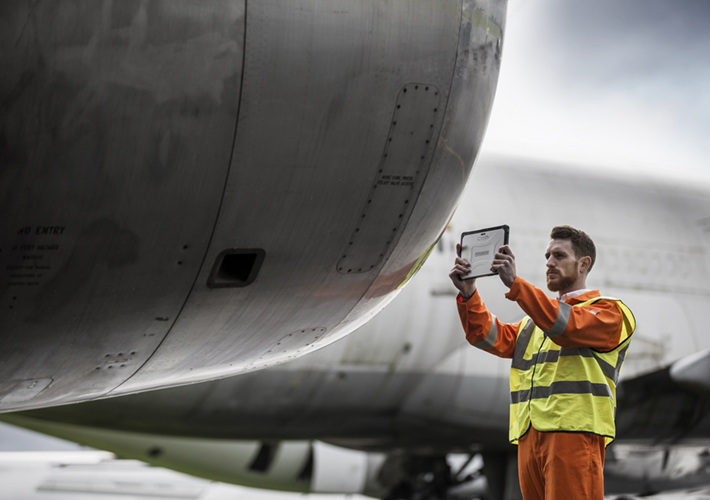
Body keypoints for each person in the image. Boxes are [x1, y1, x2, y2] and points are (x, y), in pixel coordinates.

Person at [448, 225, 635, 500]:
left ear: (584, 264)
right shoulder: (534, 324)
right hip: (530, 436)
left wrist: (516, 284)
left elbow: (566, 326)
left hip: (573, 434)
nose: (549, 263)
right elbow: (485, 335)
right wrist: (468, 294)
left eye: (559, 256)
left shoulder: (611, 312)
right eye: (547, 256)